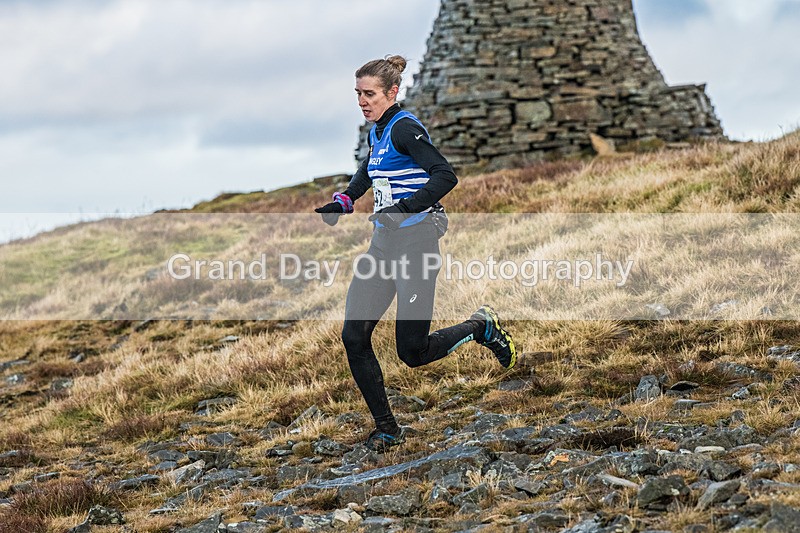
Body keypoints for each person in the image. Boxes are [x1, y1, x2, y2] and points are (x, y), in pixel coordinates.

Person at [315, 55, 516, 451]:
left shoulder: (406, 129)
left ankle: (481, 326)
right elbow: (368, 173)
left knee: (413, 351)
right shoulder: (377, 131)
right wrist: (343, 201)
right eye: (357, 93)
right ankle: (386, 428)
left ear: (392, 92)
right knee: (354, 336)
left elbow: (445, 175)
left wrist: (403, 209)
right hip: (383, 245)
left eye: (369, 94)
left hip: (416, 243)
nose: (361, 101)